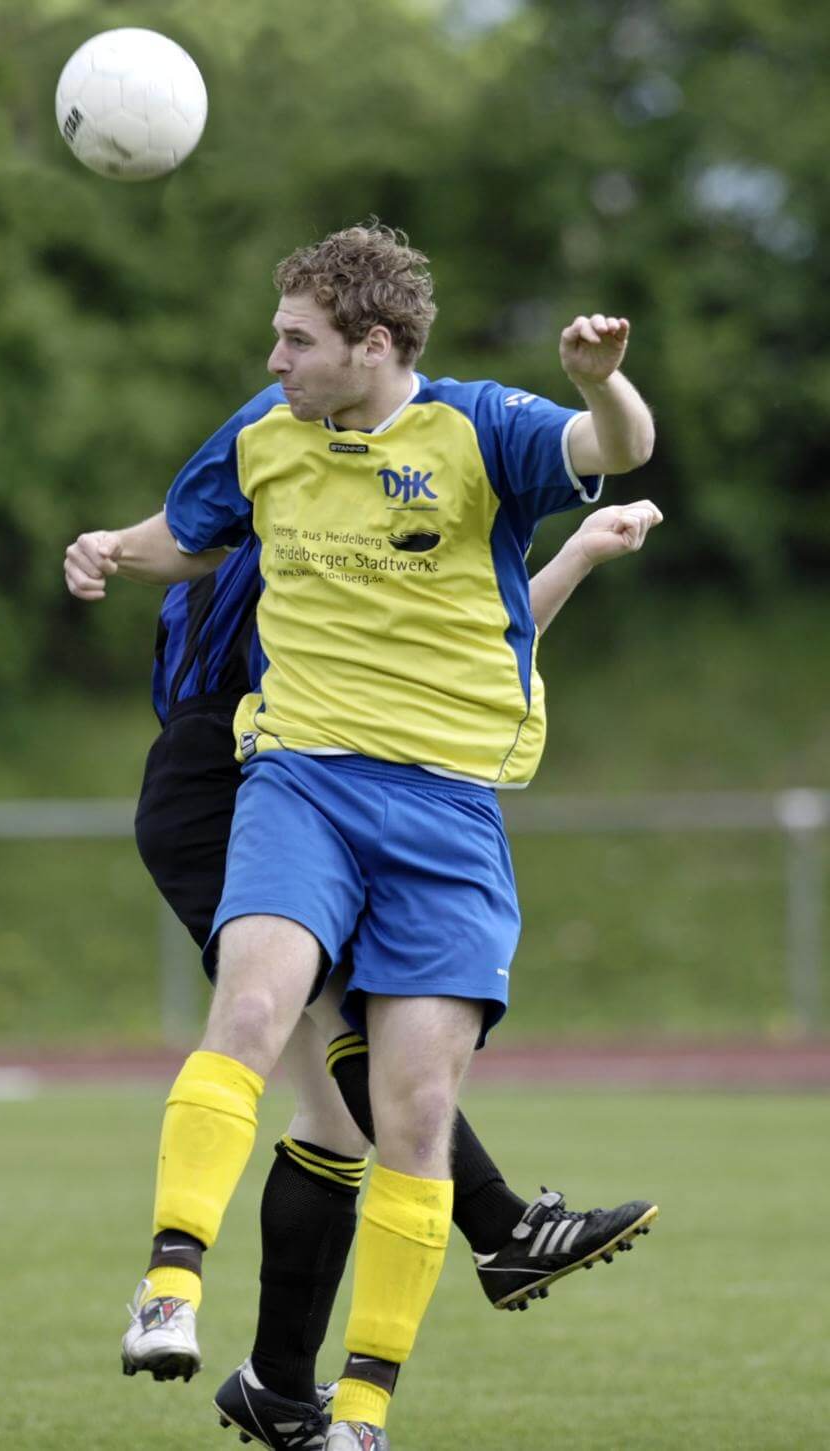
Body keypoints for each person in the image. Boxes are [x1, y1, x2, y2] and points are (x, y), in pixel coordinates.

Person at [64, 222, 657, 1450]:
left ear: (372, 344)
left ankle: (347, 1407)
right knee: (260, 1004)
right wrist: (110, 550)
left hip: (443, 812)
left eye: (295, 337)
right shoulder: (265, 436)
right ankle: (169, 1285)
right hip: (294, 779)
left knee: (401, 1112)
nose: (271, 358)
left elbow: (617, 448)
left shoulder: (479, 428)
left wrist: (598, 384)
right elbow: (187, 532)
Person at [131, 505, 660, 1451]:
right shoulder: (304, 510)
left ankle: (279, 1385)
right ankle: (496, 1225)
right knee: (341, 1038)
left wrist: (577, 553)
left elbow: (458, 653)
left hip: (316, 771)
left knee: (336, 1115)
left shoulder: (351, 510)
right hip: (243, 778)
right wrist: (108, 548)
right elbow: (444, 649)